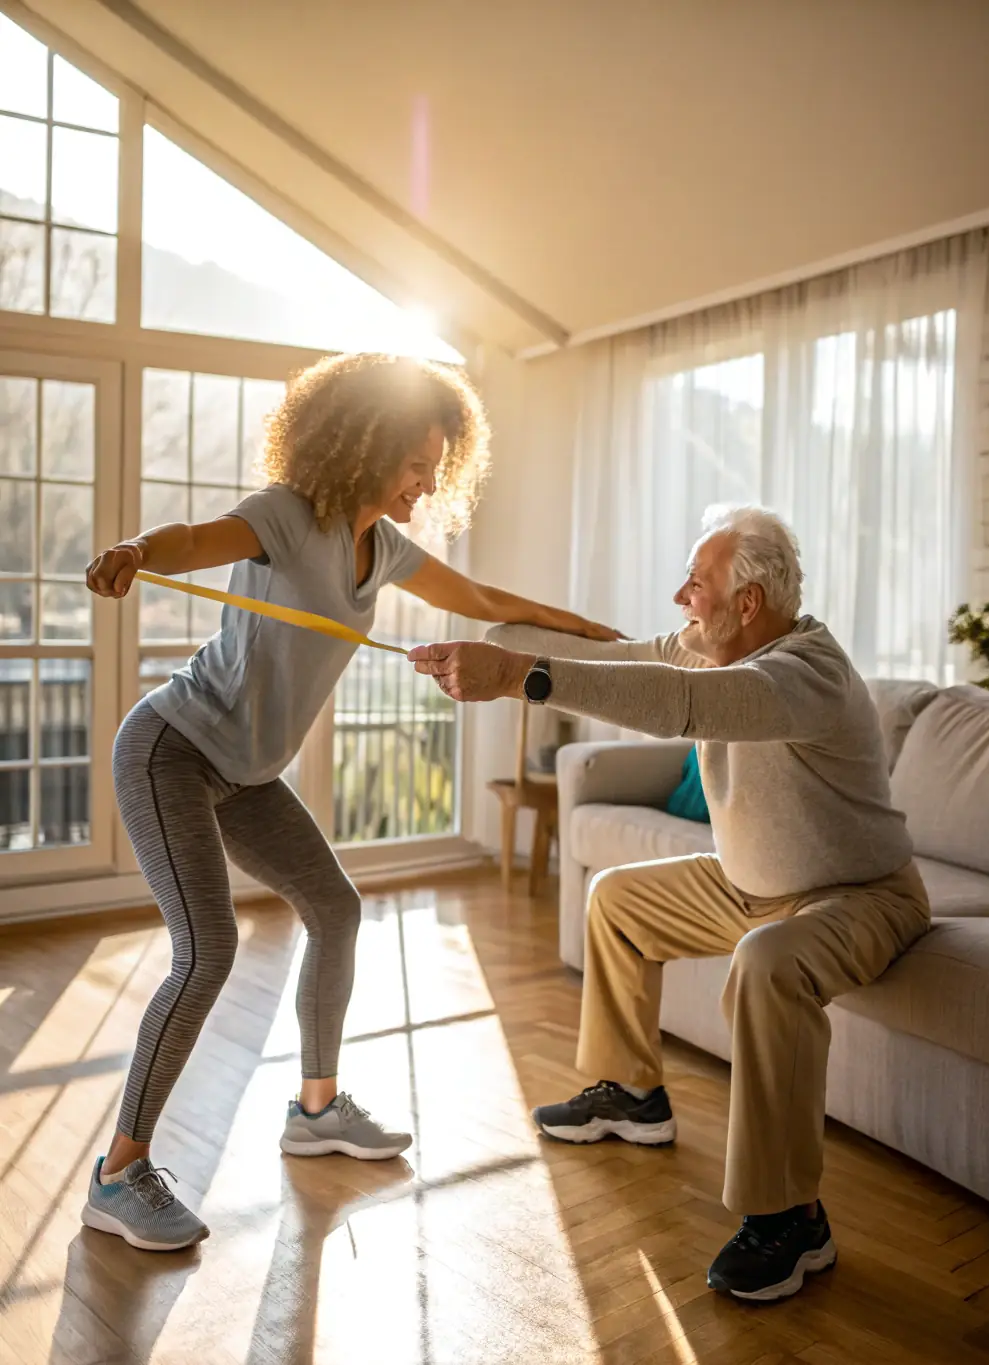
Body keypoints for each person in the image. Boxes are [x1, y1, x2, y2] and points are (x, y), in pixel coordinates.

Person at [82, 352, 620, 1253]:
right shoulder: (287, 517)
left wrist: (584, 630)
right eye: (417, 461)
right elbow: (192, 539)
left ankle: (316, 1109)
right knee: (208, 949)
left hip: (247, 772)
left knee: (335, 907)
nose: (428, 481)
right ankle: (118, 1172)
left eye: (437, 465)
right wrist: (138, 552)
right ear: (364, 446)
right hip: (173, 749)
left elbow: (481, 599)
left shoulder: (386, 546)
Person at [409, 503, 931, 1303]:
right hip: (753, 884)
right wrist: (498, 643)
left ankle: (792, 1218)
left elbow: (676, 704)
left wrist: (518, 679)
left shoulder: (802, 675)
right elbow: (626, 657)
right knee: (617, 898)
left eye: (698, 581)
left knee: (768, 962)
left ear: (748, 602)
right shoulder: (715, 644)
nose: (681, 594)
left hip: (856, 897)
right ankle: (631, 1093)